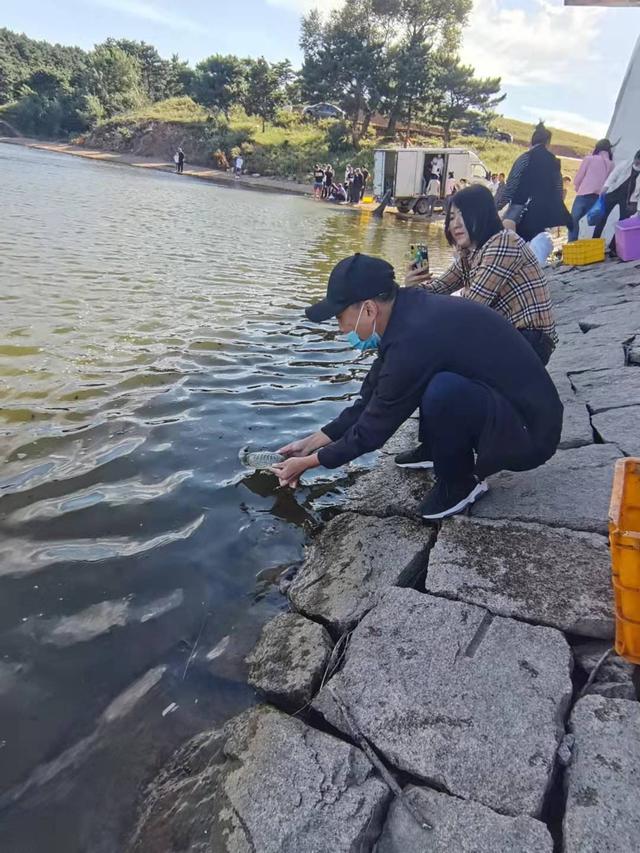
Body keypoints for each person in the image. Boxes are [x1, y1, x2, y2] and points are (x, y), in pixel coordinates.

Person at [271, 253, 563, 520]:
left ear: (369, 309)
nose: (341, 329)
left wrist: (310, 463)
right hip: (510, 409)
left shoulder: (413, 338)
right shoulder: (408, 314)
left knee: (442, 390)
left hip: (531, 434)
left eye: (340, 317)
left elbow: (373, 431)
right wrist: (309, 443)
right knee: (432, 379)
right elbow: (370, 399)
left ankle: (459, 482)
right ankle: (436, 448)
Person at [406, 184, 557, 365]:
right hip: (507, 336)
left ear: (483, 215)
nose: (456, 224)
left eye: (464, 215)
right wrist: (412, 286)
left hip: (531, 341)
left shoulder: (503, 242)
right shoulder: (471, 253)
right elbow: (439, 288)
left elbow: (470, 306)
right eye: (452, 217)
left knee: (437, 352)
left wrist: (419, 304)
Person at [496, 122, 572, 241]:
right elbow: (558, 188)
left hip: (520, 207)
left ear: (532, 141)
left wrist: (499, 205)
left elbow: (511, 184)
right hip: (542, 212)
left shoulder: (525, 158)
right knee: (535, 246)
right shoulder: (555, 162)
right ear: (548, 143)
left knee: (508, 240)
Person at [592, 148, 640, 250]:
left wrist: (638, 209)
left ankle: (614, 247)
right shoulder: (625, 164)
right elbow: (613, 176)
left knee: (622, 223)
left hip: (629, 200)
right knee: (602, 218)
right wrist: (605, 188)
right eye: (637, 161)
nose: (637, 163)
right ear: (635, 158)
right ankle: (594, 243)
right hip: (613, 193)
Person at [569, 140, 614, 242]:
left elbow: (579, 177)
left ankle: (571, 244)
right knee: (586, 222)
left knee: (573, 220)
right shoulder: (611, 164)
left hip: (583, 193)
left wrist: (577, 186)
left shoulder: (589, 159)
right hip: (596, 197)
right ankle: (579, 243)